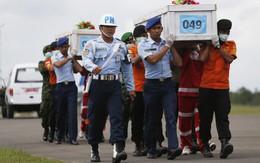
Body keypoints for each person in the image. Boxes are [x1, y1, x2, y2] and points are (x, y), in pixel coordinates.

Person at [82, 14, 135, 163]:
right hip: (98, 85)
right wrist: (93, 68)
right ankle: (94, 149)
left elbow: (127, 68)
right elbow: (86, 60)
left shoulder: (121, 45)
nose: (110, 29)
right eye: (107, 27)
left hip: (114, 85)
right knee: (96, 119)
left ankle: (117, 149)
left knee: (117, 116)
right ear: (100, 28)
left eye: (113, 27)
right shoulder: (92, 44)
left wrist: (131, 88)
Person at [138, 17, 182, 160]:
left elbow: (178, 63)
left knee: (171, 117)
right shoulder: (143, 45)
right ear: (148, 31)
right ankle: (151, 148)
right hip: (152, 85)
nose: (157, 31)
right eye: (154, 28)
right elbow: (153, 60)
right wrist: (167, 47)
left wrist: (172, 45)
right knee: (152, 118)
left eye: (159, 28)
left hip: (167, 84)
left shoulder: (166, 44)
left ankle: (173, 148)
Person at [198, 19, 236, 159]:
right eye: (222, 32)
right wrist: (210, 45)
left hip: (222, 87)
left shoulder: (230, 45)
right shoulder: (206, 45)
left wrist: (219, 46)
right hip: (206, 87)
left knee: (222, 116)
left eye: (227, 32)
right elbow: (202, 59)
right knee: (205, 118)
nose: (224, 34)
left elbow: (230, 59)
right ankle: (205, 145)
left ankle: (225, 143)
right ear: (216, 31)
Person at [51, 37, 83, 145]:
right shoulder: (55, 56)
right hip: (60, 87)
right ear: (59, 48)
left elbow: (79, 70)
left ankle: (73, 138)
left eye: (67, 47)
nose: (65, 49)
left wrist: (73, 59)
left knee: (73, 113)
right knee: (60, 113)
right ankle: (59, 136)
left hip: (71, 87)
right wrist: (69, 58)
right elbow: (58, 65)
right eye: (63, 47)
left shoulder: (70, 58)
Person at [120, 32, 134, 140]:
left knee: (136, 118)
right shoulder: (121, 57)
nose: (131, 44)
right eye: (128, 43)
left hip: (135, 89)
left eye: (132, 42)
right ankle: (121, 141)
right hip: (124, 91)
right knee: (123, 118)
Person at [44, 41, 58, 143]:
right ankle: (51, 132)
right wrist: (57, 61)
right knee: (52, 111)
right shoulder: (48, 60)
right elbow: (51, 69)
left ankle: (64, 133)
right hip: (54, 86)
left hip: (63, 85)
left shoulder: (65, 57)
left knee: (64, 112)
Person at [38, 45, 52, 142]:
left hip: (55, 90)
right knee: (44, 111)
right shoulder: (42, 63)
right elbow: (43, 70)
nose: (49, 52)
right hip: (46, 92)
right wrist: (48, 60)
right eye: (47, 51)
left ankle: (52, 131)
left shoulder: (55, 61)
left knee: (53, 113)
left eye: (50, 51)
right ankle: (46, 129)